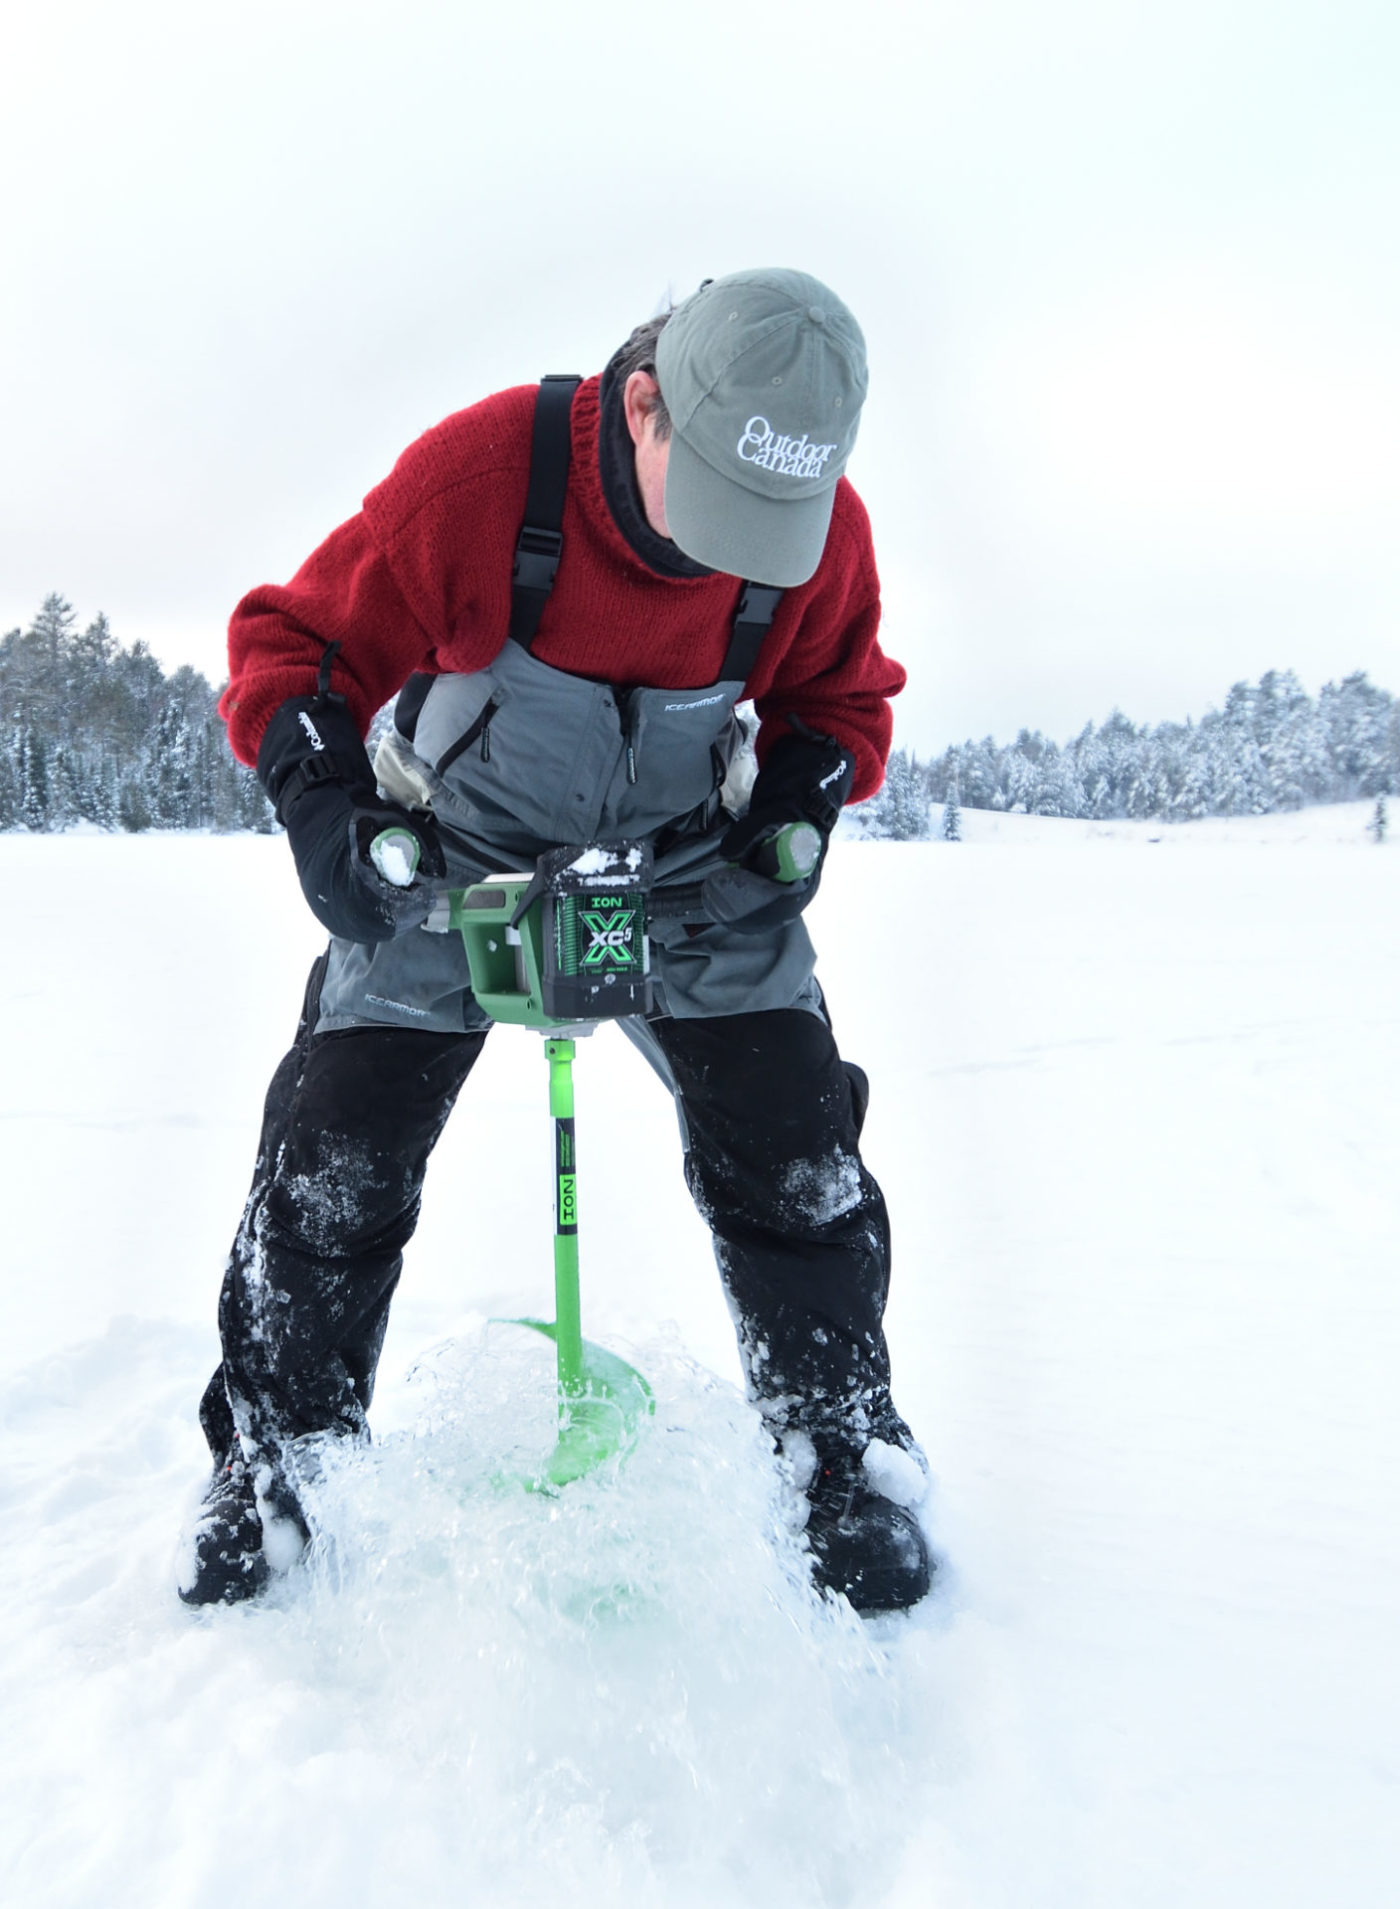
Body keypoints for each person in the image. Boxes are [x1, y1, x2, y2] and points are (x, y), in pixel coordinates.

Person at [180, 268, 933, 1616]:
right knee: (337, 1145)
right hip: (456, 848)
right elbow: (294, 649)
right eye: (713, 507)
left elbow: (839, 693)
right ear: (639, 404)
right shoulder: (484, 481)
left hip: (683, 864)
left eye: (765, 528)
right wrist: (323, 812)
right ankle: (281, 1460)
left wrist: (806, 796)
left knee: (796, 1134)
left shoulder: (828, 536)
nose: (728, 555)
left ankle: (840, 1446)